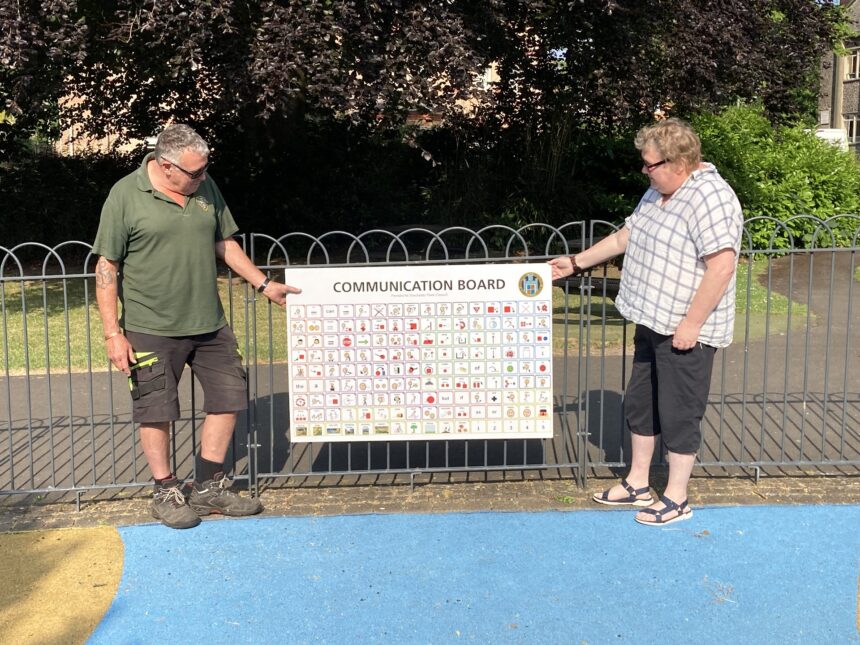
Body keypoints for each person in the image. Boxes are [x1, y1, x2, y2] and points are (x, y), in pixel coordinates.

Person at [93, 124, 301, 529]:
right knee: (156, 409)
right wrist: (112, 334)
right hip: (149, 324)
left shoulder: (204, 188)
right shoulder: (125, 194)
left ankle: (208, 487)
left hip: (210, 321)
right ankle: (166, 490)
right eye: (194, 173)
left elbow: (225, 243)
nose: (202, 178)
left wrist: (263, 283)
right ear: (165, 166)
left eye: (205, 170)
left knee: (230, 395)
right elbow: (107, 266)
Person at [549, 118, 743, 526]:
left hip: (684, 329)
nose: (644, 170)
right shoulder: (659, 190)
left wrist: (691, 325)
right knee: (641, 403)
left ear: (679, 162)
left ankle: (677, 497)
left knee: (679, 411)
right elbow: (626, 236)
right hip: (652, 319)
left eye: (650, 164)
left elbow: (721, 266)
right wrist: (575, 263)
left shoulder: (712, 198)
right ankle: (638, 482)